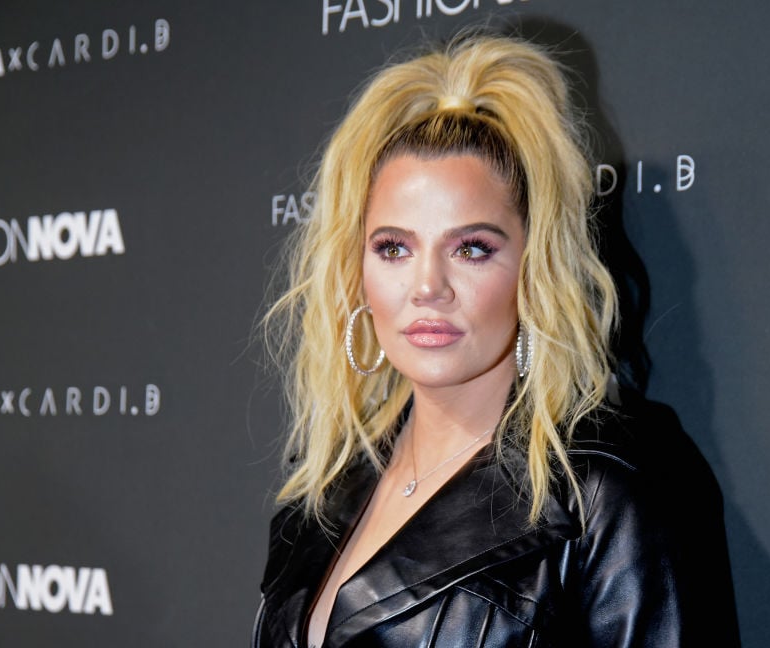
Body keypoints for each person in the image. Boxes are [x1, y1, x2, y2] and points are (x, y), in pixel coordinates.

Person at [256, 32, 739, 647]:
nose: (427, 287)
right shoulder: (326, 487)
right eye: (394, 247)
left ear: (534, 267)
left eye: (472, 248)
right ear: (357, 269)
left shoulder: (608, 488)